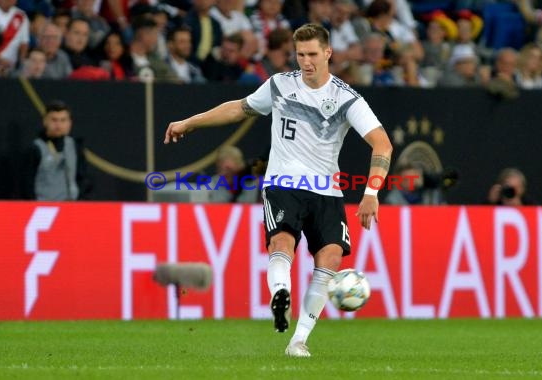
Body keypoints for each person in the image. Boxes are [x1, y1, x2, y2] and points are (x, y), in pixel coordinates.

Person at [164, 23, 393, 357]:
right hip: (282, 182)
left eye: (313, 54)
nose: (306, 62)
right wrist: (190, 122)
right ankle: (280, 293)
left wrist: (371, 193)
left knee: (330, 256)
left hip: (326, 190)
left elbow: (382, 145)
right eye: (301, 55)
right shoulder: (280, 85)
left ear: (328, 53)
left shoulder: (346, 99)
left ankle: (298, 340)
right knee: (282, 241)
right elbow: (237, 108)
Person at [21, 100, 92, 200]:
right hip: (44, 209)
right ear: (45, 121)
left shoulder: (75, 146)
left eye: (63, 120)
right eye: (54, 120)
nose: (58, 125)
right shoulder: (36, 148)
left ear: (69, 123)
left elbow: (83, 178)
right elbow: (26, 184)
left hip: (71, 208)